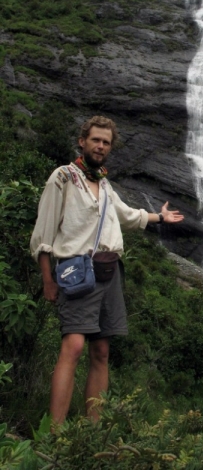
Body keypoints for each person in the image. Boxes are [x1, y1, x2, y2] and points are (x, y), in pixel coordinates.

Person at [30, 115, 184, 425]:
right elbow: (43, 234)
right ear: (82, 141)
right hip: (77, 271)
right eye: (96, 140)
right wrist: (47, 279)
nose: (101, 146)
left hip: (109, 271)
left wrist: (159, 218)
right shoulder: (63, 178)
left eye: (106, 142)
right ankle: (55, 434)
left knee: (101, 351)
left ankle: (92, 432)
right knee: (72, 347)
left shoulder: (104, 183)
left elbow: (127, 216)